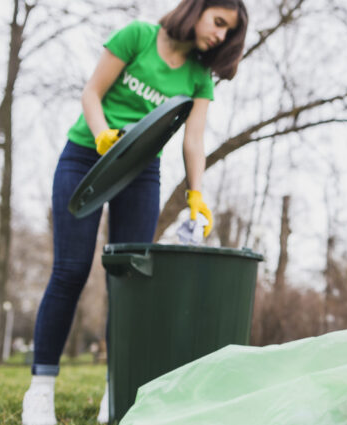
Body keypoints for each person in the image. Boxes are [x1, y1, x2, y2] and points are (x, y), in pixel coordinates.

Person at [21, 1, 248, 424]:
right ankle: (40, 390)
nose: (219, 35)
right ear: (196, 10)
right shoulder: (138, 37)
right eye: (218, 22)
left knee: (126, 284)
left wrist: (196, 194)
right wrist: (102, 134)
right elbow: (92, 92)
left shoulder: (198, 77)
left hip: (141, 172)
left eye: (227, 31)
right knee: (70, 271)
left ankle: (118, 389)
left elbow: (193, 141)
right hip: (86, 156)